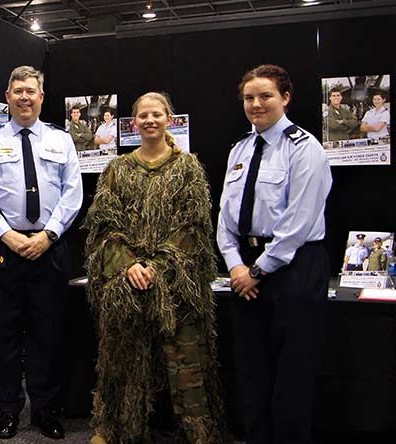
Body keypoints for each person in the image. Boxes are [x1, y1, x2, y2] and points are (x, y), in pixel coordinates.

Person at [84, 92, 231, 444]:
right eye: (143, 116)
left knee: (187, 363)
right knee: (121, 361)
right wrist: (131, 265)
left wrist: (158, 268)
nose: (150, 121)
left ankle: (198, 432)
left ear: (169, 119)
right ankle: (114, 428)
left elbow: (193, 227)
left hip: (178, 287)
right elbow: (104, 226)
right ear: (133, 122)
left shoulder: (187, 168)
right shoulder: (116, 170)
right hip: (125, 286)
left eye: (157, 114)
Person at [217, 64, 332, 444]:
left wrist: (257, 271)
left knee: (292, 377)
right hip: (247, 274)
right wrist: (236, 266)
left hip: (294, 271)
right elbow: (226, 218)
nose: (256, 104)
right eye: (249, 97)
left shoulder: (305, 148)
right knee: (253, 372)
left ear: (285, 97)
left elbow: (298, 222)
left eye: (265, 95)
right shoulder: (240, 148)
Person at [0, 65, 83, 440]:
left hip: (49, 246)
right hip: (5, 249)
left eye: (31, 90)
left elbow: (72, 192)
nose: (24, 96)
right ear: (7, 97)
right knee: (5, 334)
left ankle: (45, 409)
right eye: (17, 90)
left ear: (41, 96)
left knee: (46, 333)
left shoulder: (60, 140)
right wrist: (7, 234)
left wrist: (48, 235)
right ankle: (9, 409)